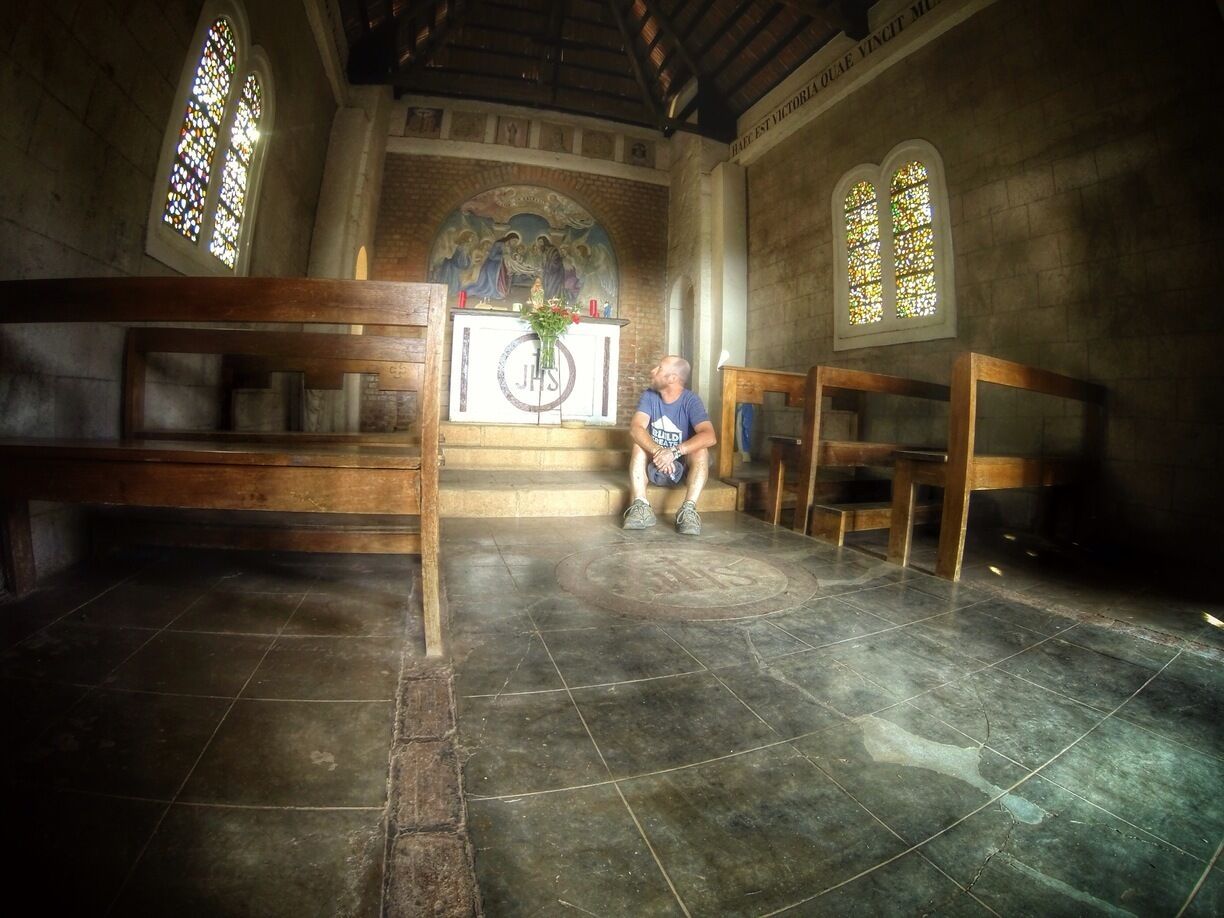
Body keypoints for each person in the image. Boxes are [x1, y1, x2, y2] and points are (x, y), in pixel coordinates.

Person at [623, 356, 717, 535]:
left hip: (681, 465)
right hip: (655, 463)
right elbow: (636, 428)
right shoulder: (649, 396)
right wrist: (659, 451)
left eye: (659, 369)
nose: (652, 371)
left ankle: (688, 509)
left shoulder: (691, 400)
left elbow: (710, 436)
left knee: (701, 451)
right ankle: (641, 506)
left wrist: (674, 452)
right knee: (637, 445)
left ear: (672, 378)